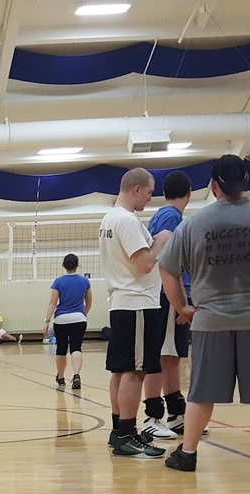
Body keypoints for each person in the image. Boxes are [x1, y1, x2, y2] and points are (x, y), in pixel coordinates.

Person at [159, 154, 250, 475]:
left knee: (201, 394)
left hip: (210, 323)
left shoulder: (194, 223)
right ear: (246, 181)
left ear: (213, 185)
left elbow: (167, 268)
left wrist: (182, 307)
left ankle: (188, 454)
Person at [100, 167, 174, 458]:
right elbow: (144, 264)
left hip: (122, 302)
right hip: (137, 302)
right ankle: (127, 434)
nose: (150, 198)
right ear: (137, 190)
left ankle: (119, 429)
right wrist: (162, 238)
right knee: (135, 371)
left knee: (121, 370)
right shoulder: (127, 221)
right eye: (150, 192)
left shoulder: (109, 218)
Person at [148, 170, 194, 435]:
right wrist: (181, 302)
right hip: (168, 295)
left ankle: (176, 412)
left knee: (171, 356)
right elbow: (168, 263)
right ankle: (154, 416)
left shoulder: (165, 216)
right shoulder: (171, 217)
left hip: (167, 294)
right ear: (189, 193)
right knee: (163, 355)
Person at [43, 254, 91, 389]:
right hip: (79, 319)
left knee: (61, 349)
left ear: (64, 266)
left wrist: (47, 321)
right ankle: (76, 374)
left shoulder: (58, 282)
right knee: (76, 347)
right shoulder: (85, 281)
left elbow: (52, 303)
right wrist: (82, 315)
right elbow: (89, 303)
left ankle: (61, 377)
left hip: (61, 320)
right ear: (77, 265)